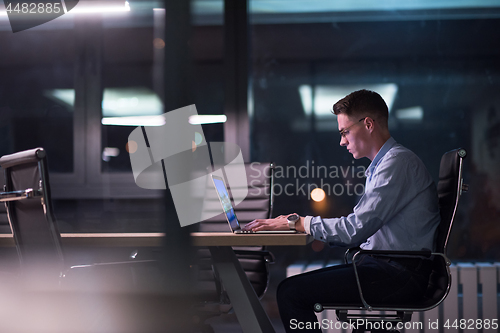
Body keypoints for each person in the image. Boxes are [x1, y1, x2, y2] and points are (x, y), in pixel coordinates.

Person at [242, 89, 441, 332]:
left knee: (291, 293)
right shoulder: (386, 166)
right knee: (292, 290)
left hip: (397, 274)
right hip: (389, 268)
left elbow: (353, 230)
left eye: (345, 132)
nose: (342, 141)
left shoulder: (396, 164)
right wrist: (300, 222)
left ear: (368, 124)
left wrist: (298, 222)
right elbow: (358, 226)